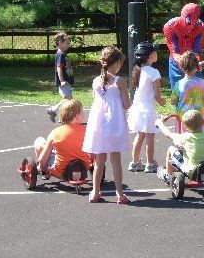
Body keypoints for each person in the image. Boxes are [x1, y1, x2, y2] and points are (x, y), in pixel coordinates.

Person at [82, 46, 131, 204]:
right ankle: (120, 194)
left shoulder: (96, 81)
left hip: (99, 123)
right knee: (115, 159)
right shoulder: (120, 81)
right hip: (113, 123)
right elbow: (126, 104)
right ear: (117, 62)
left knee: (99, 161)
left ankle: (95, 192)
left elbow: (97, 101)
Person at [127, 42, 166, 173]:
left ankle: (134, 162)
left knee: (139, 136)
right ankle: (150, 163)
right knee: (150, 137)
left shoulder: (138, 70)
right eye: (154, 52)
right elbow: (157, 93)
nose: (157, 54)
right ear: (149, 57)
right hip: (148, 110)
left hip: (137, 109)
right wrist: (161, 101)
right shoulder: (154, 72)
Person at [155, 110, 204, 184]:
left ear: (185, 127)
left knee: (170, 149)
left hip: (191, 171)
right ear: (203, 122)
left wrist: (160, 124)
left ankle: (168, 175)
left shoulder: (185, 137)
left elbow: (168, 134)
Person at [35, 99, 91, 179]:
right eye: (82, 112)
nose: (84, 114)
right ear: (77, 116)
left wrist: (42, 167)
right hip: (84, 167)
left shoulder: (55, 132)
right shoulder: (88, 131)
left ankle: (45, 173)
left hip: (60, 171)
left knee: (39, 141)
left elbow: (43, 157)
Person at [163, 3, 204, 89]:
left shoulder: (202, 27)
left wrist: (196, 63)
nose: (191, 24)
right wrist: (181, 60)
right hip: (176, 59)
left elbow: (197, 49)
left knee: (196, 88)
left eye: (195, 19)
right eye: (189, 20)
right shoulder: (170, 26)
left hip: (193, 58)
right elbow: (173, 49)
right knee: (177, 88)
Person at [171, 51, 204, 132]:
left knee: (184, 141)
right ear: (197, 67)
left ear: (181, 67)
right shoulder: (203, 83)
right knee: (199, 140)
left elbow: (173, 102)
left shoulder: (178, 84)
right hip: (199, 117)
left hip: (184, 118)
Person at [47, 32, 74, 123]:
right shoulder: (60, 54)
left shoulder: (63, 54)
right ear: (59, 42)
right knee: (67, 100)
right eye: (67, 43)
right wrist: (62, 80)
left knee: (67, 100)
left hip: (67, 81)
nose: (68, 45)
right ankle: (54, 111)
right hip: (64, 82)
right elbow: (59, 68)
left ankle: (56, 112)